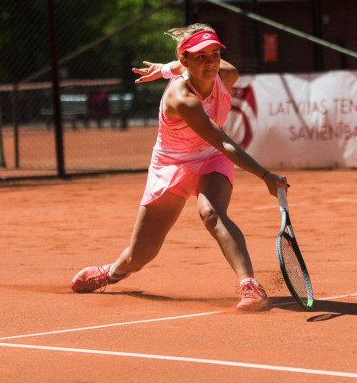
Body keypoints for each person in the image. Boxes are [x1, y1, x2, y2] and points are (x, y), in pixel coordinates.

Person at [70, 23, 289, 311]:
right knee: (140, 254)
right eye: (200, 56)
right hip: (171, 163)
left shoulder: (227, 74)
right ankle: (111, 273)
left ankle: (250, 285)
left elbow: (216, 145)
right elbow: (223, 141)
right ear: (184, 61)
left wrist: (165, 68)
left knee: (211, 213)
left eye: (214, 54)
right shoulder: (181, 97)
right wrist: (265, 175)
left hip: (210, 158)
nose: (210, 62)